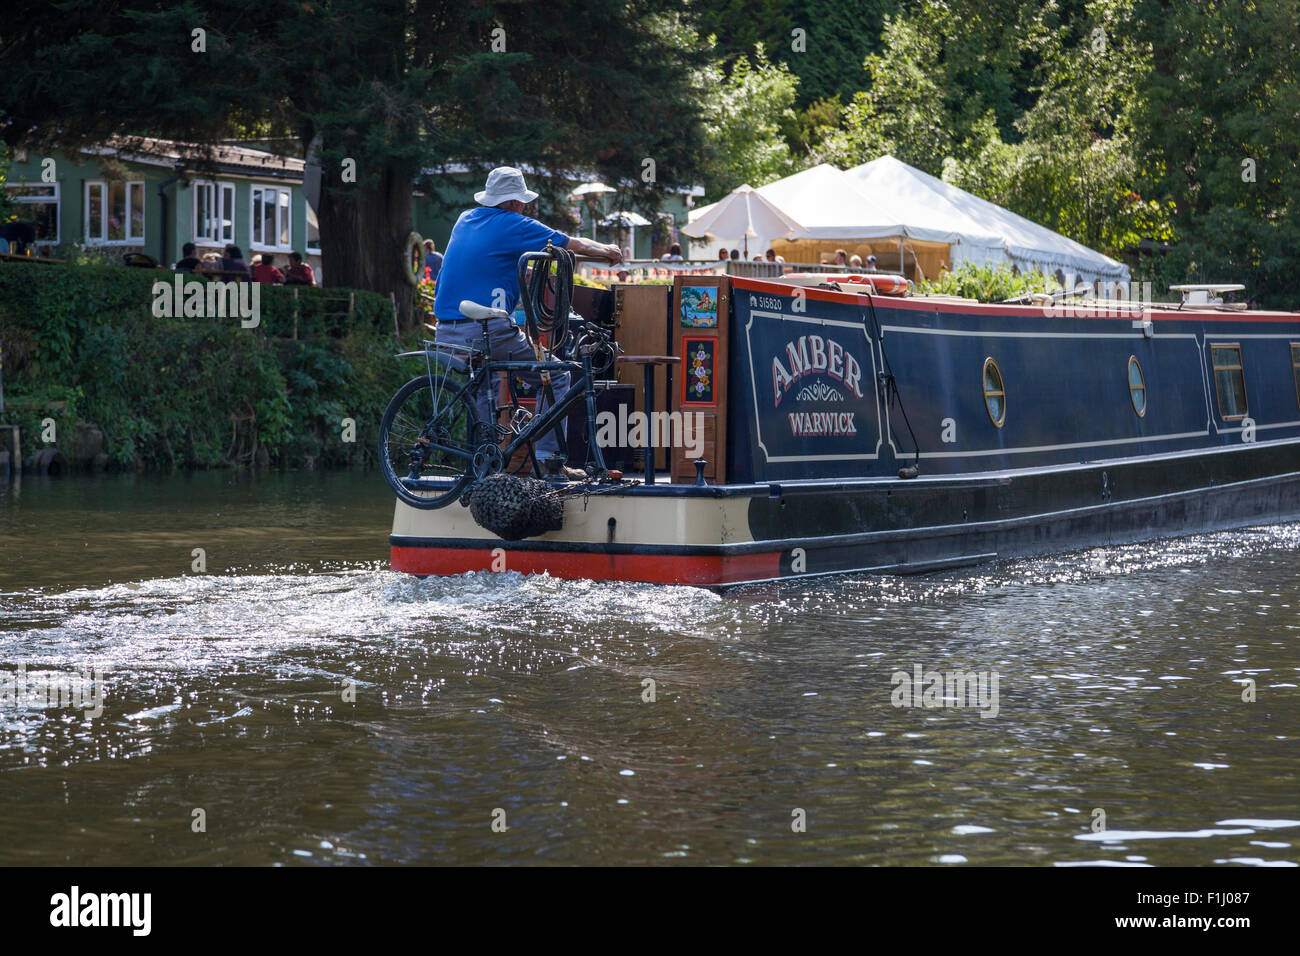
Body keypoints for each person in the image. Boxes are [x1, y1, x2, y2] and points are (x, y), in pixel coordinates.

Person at [433, 166, 622, 480]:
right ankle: (549, 463)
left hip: (447, 328)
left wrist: (528, 275)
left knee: (487, 385)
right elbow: (572, 244)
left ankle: (483, 464)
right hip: (485, 330)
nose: (524, 206)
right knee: (557, 376)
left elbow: (487, 265)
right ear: (511, 203)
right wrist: (608, 251)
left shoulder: (465, 219)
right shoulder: (513, 223)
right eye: (520, 201)